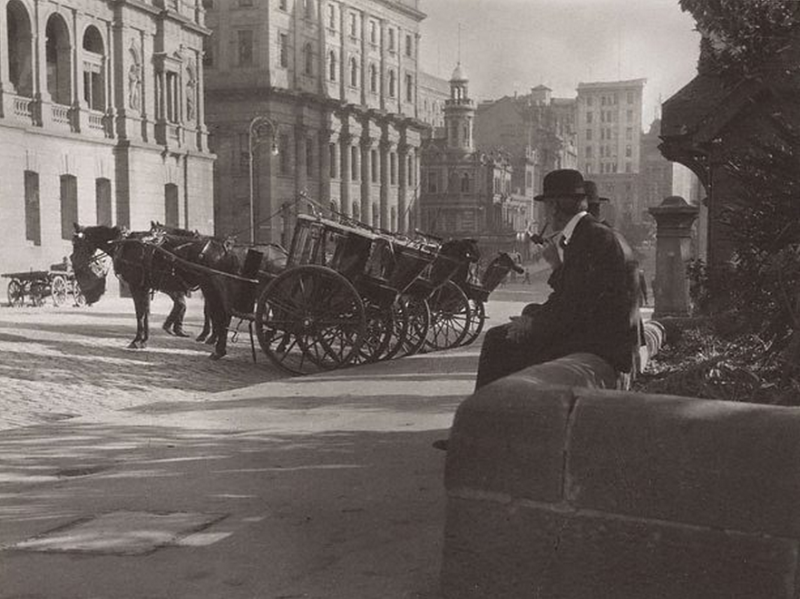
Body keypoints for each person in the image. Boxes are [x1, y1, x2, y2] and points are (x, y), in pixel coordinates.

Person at [474, 168, 642, 390]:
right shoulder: (593, 233)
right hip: (609, 337)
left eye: (546, 207)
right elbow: (575, 294)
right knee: (527, 316)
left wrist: (533, 325)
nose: (546, 214)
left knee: (497, 340)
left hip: (603, 344)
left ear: (554, 206)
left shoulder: (590, 238)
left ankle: (487, 415)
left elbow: (574, 305)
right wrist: (535, 318)